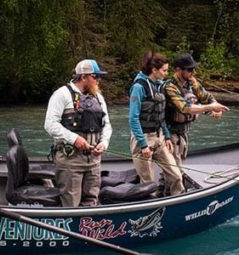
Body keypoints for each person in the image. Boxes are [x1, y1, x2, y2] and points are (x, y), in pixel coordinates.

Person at [44, 59, 112, 207]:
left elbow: (107, 125)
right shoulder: (61, 94)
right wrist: (74, 139)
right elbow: (50, 124)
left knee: (91, 202)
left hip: (94, 162)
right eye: (95, 77)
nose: (99, 80)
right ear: (83, 77)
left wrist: (104, 143)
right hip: (70, 162)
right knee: (71, 204)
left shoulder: (99, 98)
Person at [128, 51, 184, 196]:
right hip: (143, 139)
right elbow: (133, 118)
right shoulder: (139, 87)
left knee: (176, 174)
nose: (166, 73)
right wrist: (143, 144)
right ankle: (151, 210)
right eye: (164, 70)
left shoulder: (158, 86)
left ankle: (178, 202)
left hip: (159, 137)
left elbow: (161, 115)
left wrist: (166, 136)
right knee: (148, 185)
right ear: (154, 70)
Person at [162, 53, 229, 166]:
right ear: (178, 70)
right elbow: (184, 108)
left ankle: (167, 182)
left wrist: (216, 108)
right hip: (170, 134)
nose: (194, 72)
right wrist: (210, 107)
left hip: (184, 133)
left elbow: (206, 97)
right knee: (174, 171)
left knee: (178, 168)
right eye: (190, 70)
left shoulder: (192, 82)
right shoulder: (169, 87)